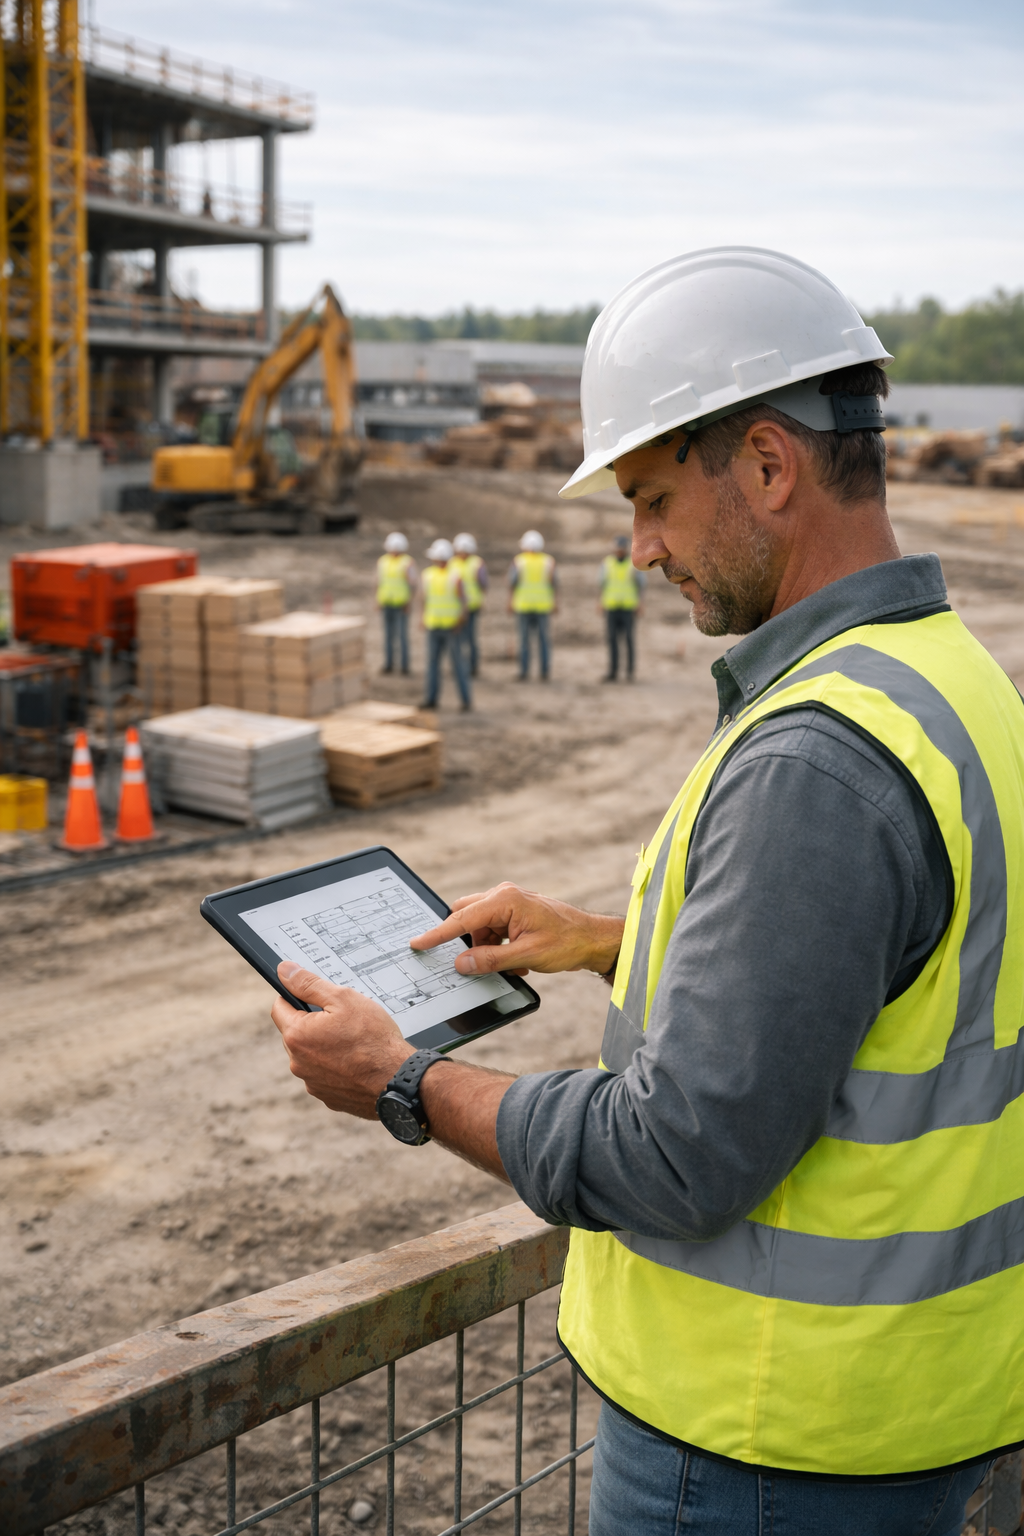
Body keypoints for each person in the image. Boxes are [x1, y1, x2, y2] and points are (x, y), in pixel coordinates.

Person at [267, 247, 1024, 1536]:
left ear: (771, 466)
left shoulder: (814, 760)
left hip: (761, 1444)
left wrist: (405, 1082)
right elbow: (891, 983)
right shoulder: (947, 683)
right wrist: (616, 944)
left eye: (655, 498)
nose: (641, 546)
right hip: (918, 1413)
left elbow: (679, 1155)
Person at [420, 538, 470, 712]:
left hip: (451, 627)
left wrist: (460, 621)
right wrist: (423, 617)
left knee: (456, 665)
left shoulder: (455, 577)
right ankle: (432, 699)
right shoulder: (428, 575)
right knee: (433, 665)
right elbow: (425, 599)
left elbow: (464, 603)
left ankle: (465, 700)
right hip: (434, 624)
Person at [509, 530, 557, 681]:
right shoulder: (548, 561)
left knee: (524, 641)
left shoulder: (519, 561)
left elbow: (512, 583)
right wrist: (555, 602)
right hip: (543, 605)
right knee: (543, 640)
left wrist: (510, 601)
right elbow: (554, 583)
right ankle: (544, 672)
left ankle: (524, 671)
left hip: (523, 605)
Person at [599, 534, 645, 681]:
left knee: (629, 640)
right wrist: (600, 602)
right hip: (611, 607)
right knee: (612, 640)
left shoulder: (633, 564)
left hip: (628, 608)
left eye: (621, 548)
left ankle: (630, 673)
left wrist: (640, 603)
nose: (619, 551)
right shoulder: (607, 563)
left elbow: (641, 585)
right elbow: (602, 584)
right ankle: (613, 672)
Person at [376, 532, 417, 676]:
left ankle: (404, 666)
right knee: (388, 636)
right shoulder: (383, 561)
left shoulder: (407, 562)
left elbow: (412, 584)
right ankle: (389, 664)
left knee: (402, 636)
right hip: (387, 602)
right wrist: (378, 600)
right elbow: (380, 582)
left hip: (401, 604)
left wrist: (409, 602)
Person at [451, 532, 489, 678]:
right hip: (455, 608)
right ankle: (461, 665)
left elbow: (483, 584)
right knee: (459, 638)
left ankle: (472, 666)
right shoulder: (453, 563)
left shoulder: (476, 563)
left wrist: (481, 601)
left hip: (472, 606)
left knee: (470, 638)